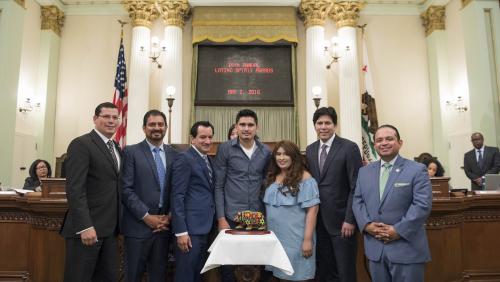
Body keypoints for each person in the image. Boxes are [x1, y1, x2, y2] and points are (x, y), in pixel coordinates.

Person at [352, 124, 433, 282]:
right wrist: (367, 225)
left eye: (389, 139)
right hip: (376, 250)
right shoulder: (364, 171)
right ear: (374, 145)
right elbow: (357, 201)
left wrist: (397, 230)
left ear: (400, 142)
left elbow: (422, 205)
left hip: (407, 248)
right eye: (379, 140)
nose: (384, 143)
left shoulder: (417, 169)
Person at [60, 102, 122, 282]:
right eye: (106, 117)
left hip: (110, 231)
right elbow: (75, 189)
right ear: (95, 119)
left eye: (115, 117)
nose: (111, 121)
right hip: (87, 231)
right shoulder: (81, 144)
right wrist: (85, 226)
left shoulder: (116, 148)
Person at [305, 106, 362, 282]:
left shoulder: (349, 148)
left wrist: (350, 219)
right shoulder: (310, 149)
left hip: (342, 223)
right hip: (318, 222)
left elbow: (356, 186)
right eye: (319, 123)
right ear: (314, 126)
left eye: (327, 123)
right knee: (324, 270)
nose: (323, 127)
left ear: (335, 125)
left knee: (344, 272)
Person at [214, 109, 271, 282]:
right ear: (236, 127)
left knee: (256, 264)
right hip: (232, 216)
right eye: (242, 125)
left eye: (250, 125)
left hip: (256, 216)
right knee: (229, 266)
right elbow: (218, 186)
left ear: (257, 127)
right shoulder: (225, 149)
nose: (246, 128)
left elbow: (267, 184)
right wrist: (221, 218)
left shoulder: (265, 151)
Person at [121, 110, 177, 282]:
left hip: (164, 228)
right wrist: (146, 217)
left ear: (166, 127)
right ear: (144, 128)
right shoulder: (131, 152)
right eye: (152, 124)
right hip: (138, 228)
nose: (157, 128)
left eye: (160, 124)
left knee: (159, 276)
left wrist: (170, 216)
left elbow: (178, 190)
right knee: (133, 276)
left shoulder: (175, 154)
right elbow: (126, 189)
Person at [263, 140, 320, 281]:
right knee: (282, 277)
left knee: (297, 276)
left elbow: (313, 211)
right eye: (278, 154)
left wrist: (307, 240)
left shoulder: (305, 178)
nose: (281, 158)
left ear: (294, 156)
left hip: (296, 239)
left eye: (286, 154)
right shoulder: (273, 176)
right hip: (277, 240)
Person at [172, 121, 216, 282]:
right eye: (202, 137)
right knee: (186, 275)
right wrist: (181, 232)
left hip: (206, 228)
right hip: (189, 231)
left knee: (198, 274)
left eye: (210, 137)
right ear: (193, 139)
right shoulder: (184, 159)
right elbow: (177, 196)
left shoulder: (208, 159)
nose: (207, 141)